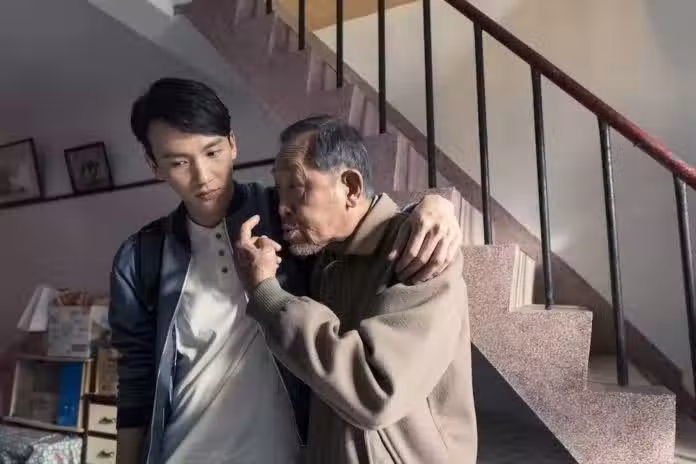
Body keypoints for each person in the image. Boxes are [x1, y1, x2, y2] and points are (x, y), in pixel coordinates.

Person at [108, 78, 465, 464]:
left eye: (212, 152)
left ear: (232, 144)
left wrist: (433, 207)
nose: (202, 175)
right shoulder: (141, 257)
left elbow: (355, 217)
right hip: (184, 452)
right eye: (179, 162)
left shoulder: (288, 222)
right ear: (154, 166)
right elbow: (136, 380)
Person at [233, 116, 477, 464]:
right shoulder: (324, 256)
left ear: (350, 187)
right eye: (279, 188)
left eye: (296, 187)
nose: (282, 206)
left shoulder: (422, 252)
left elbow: (376, 392)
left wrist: (267, 294)